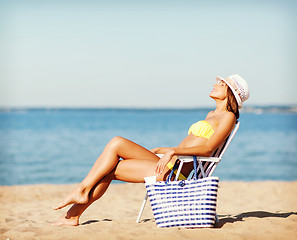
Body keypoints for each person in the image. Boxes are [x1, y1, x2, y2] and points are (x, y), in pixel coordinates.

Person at [52, 74, 249, 226]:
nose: (215, 84)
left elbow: (207, 149)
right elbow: (192, 143)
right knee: (116, 142)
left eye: (221, 84)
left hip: (177, 173)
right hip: (171, 162)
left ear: (230, 93)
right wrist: (167, 150)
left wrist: (172, 151)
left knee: (109, 169)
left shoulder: (228, 117)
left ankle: (74, 211)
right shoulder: (211, 114)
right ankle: (79, 196)